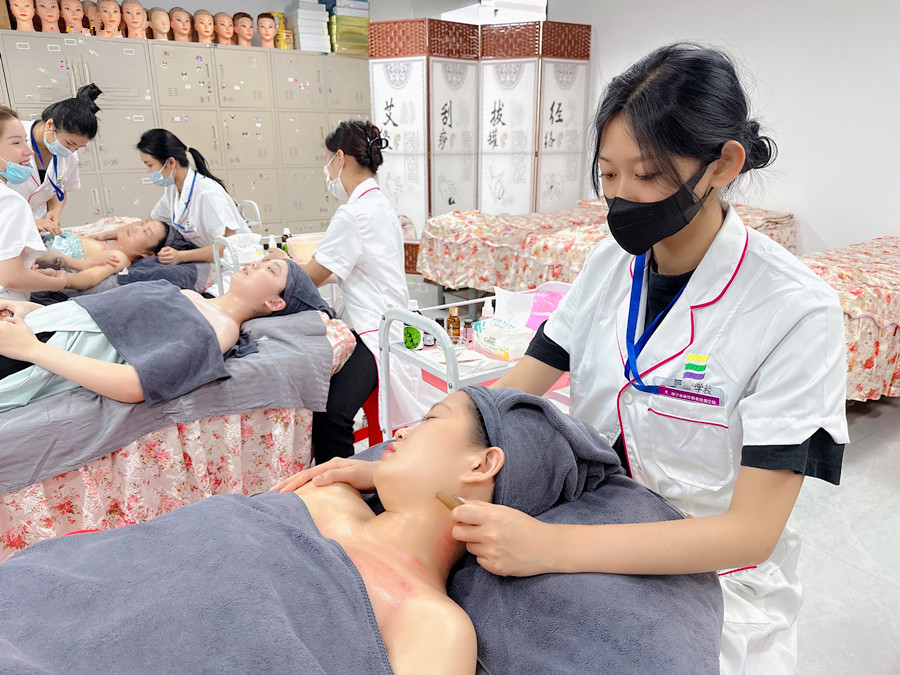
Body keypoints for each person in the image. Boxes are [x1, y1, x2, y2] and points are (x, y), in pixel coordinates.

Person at [278, 44, 850, 674]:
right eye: (608, 175)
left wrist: (551, 546)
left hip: (710, 575)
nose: (622, 197)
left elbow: (750, 532)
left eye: (647, 175)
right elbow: (509, 394)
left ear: (722, 164)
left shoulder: (796, 312)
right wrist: (390, 462)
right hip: (579, 519)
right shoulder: (610, 266)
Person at [0, 390, 505, 672]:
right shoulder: (329, 492)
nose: (400, 430)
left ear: (482, 463)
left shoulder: (434, 624)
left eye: (430, 418)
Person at [270, 120, 439, 465]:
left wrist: (280, 263)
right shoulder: (379, 205)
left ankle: (341, 484)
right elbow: (359, 268)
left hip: (372, 331)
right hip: (385, 322)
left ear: (340, 157)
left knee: (331, 414)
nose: (326, 170)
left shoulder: (353, 214)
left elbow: (310, 278)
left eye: (326, 160)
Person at [0, 258, 325, 411]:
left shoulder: (220, 330)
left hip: (32, 354)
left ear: (274, 303)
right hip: (32, 327)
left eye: (269, 269)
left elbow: (135, 385)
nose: (254, 264)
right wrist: (33, 312)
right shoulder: (193, 297)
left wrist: (31, 350)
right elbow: (108, 315)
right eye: (263, 260)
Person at [137, 128, 249, 287]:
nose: (148, 171)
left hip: (235, 267)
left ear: (171, 162)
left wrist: (180, 256)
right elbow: (149, 220)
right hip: (209, 263)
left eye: (149, 165)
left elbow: (227, 246)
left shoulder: (207, 193)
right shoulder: (173, 190)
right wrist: (107, 234)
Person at [6, 84, 103, 235]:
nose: (71, 151)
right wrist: (28, 222)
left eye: (78, 147)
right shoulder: (11, 138)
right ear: (50, 125)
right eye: (69, 143)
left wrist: (54, 210)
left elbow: (60, 187)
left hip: (38, 230)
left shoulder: (68, 154)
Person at [0, 106, 71, 302]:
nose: (29, 151)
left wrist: (29, 275)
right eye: (16, 142)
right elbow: (11, 277)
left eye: (25, 140)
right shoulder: (10, 201)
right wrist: (59, 282)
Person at [37, 217, 169, 288]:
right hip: (38, 245)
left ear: (148, 254)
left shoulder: (119, 257)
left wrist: (58, 278)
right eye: (141, 225)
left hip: (39, 256)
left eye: (145, 232)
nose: (135, 228)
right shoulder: (108, 245)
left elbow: (90, 278)